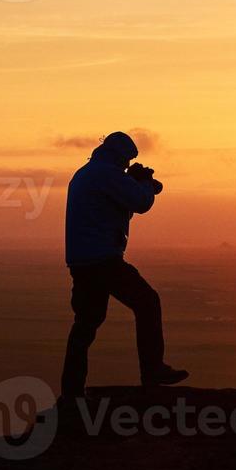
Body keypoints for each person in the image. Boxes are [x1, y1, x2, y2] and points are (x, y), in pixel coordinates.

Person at [60, 131, 188, 398]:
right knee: (147, 302)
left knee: (86, 323)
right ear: (121, 156)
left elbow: (115, 205)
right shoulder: (107, 174)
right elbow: (141, 203)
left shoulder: (85, 173)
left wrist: (134, 182)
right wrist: (144, 184)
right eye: (128, 160)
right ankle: (153, 371)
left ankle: (71, 393)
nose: (127, 164)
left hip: (82, 262)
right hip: (103, 260)